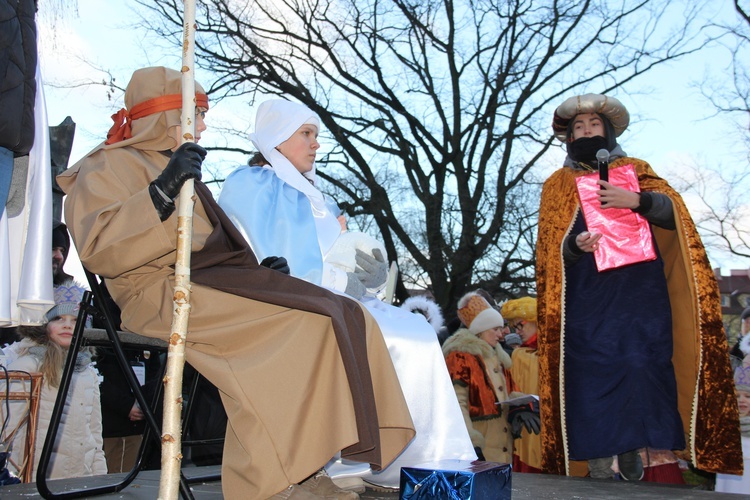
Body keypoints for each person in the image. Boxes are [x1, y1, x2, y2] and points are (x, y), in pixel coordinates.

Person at [57, 66, 415, 499]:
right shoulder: (105, 164)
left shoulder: (172, 162)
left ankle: (300, 468)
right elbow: (101, 250)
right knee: (291, 331)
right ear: (169, 114)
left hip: (207, 282)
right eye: (198, 114)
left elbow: (208, 245)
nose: (204, 126)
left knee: (335, 313)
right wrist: (160, 194)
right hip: (155, 293)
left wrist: (260, 273)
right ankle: (268, 484)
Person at [218, 99, 475, 490]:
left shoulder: (317, 197)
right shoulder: (254, 183)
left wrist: (369, 277)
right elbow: (273, 257)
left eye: (316, 135)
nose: (315, 144)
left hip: (331, 298)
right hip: (288, 304)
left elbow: (340, 258)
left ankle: (415, 457)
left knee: (415, 329)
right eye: (306, 134)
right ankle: (373, 459)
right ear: (277, 138)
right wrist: (342, 283)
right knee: (399, 337)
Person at [536, 93, 742, 480]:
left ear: (608, 131)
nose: (585, 131)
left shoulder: (636, 168)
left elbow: (673, 212)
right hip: (586, 298)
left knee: (639, 365)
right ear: (568, 138)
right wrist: (573, 247)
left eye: (594, 125)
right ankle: (597, 457)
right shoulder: (557, 185)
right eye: (578, 127)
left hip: (637, 294)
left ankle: (632, 443)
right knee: (589, 373)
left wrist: (637, 200)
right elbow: (550, 251)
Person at [0, 281, 107, 480]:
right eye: (58, 318)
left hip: (79, 476)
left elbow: (94, 433)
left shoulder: (87, 372)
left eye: (75, 320)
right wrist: (17, 478)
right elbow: (9, 431)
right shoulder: (28, 367)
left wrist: (98, 477)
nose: (67, 325)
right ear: (44, 326)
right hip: (37, 477)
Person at [442, 292, 519, 464]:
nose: (501, 334)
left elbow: (510, 394)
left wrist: (523, 408)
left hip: (503, 441)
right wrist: (470, 441)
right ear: (481, 330)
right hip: (481, 441)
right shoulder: (460, 357)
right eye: (496, 329)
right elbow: (456, 403)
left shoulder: (497, 356)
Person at [501, 297, 542, 474]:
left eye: (521, 325)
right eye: (515, 327)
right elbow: (513, 390)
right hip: (527, 427)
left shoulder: (559, 352)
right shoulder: (519, 354)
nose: (517, 331)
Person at [715, 366, 750, 493]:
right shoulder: (724, 425)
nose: (742, 400)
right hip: (728, 484)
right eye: (737, 396)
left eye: (748, 396)